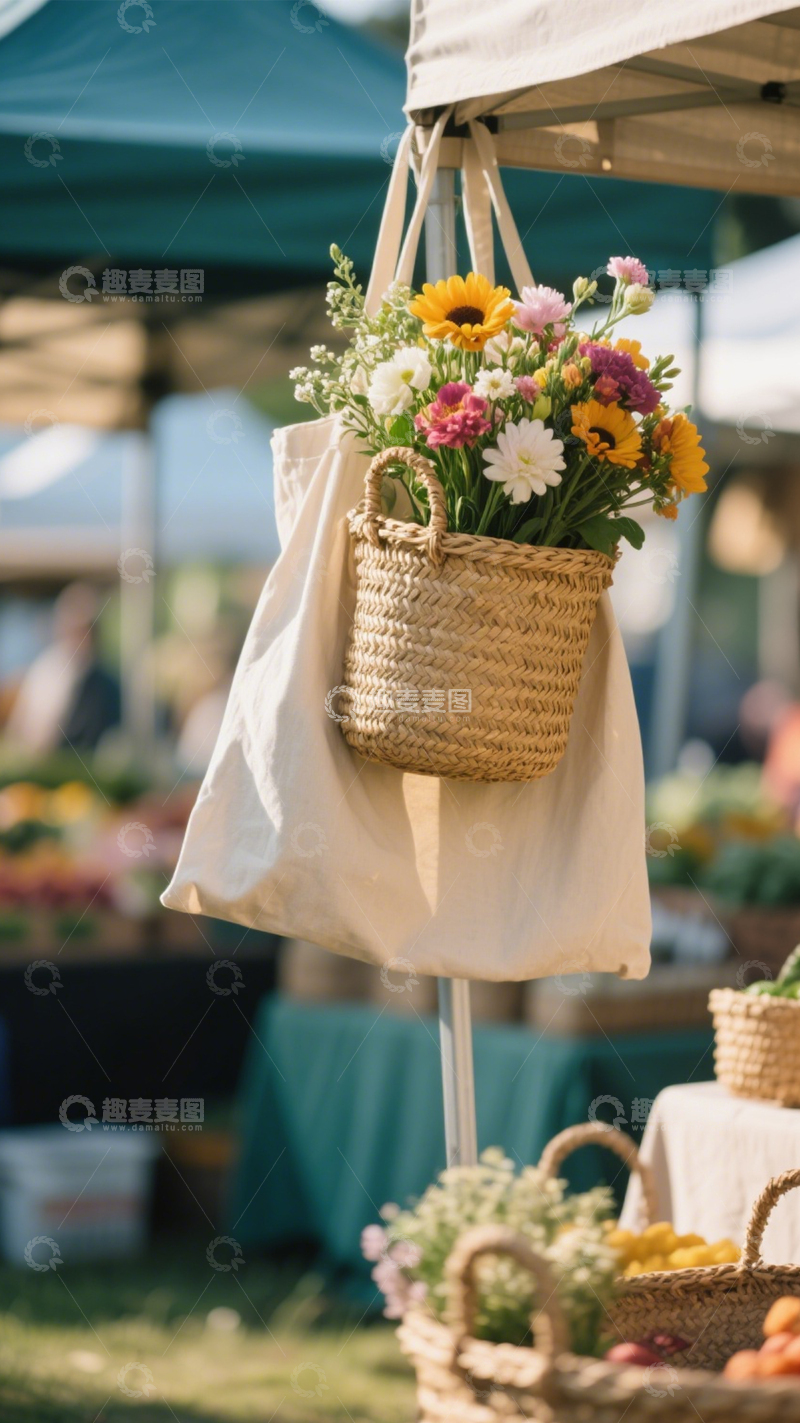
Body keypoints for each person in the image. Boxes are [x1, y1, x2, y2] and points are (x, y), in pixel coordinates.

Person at [5, 582, 120, 752]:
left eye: (88, 630)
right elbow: (25, 729)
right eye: (77, 630)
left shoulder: (107, 683)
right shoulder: (45, 670)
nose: (83, 638)